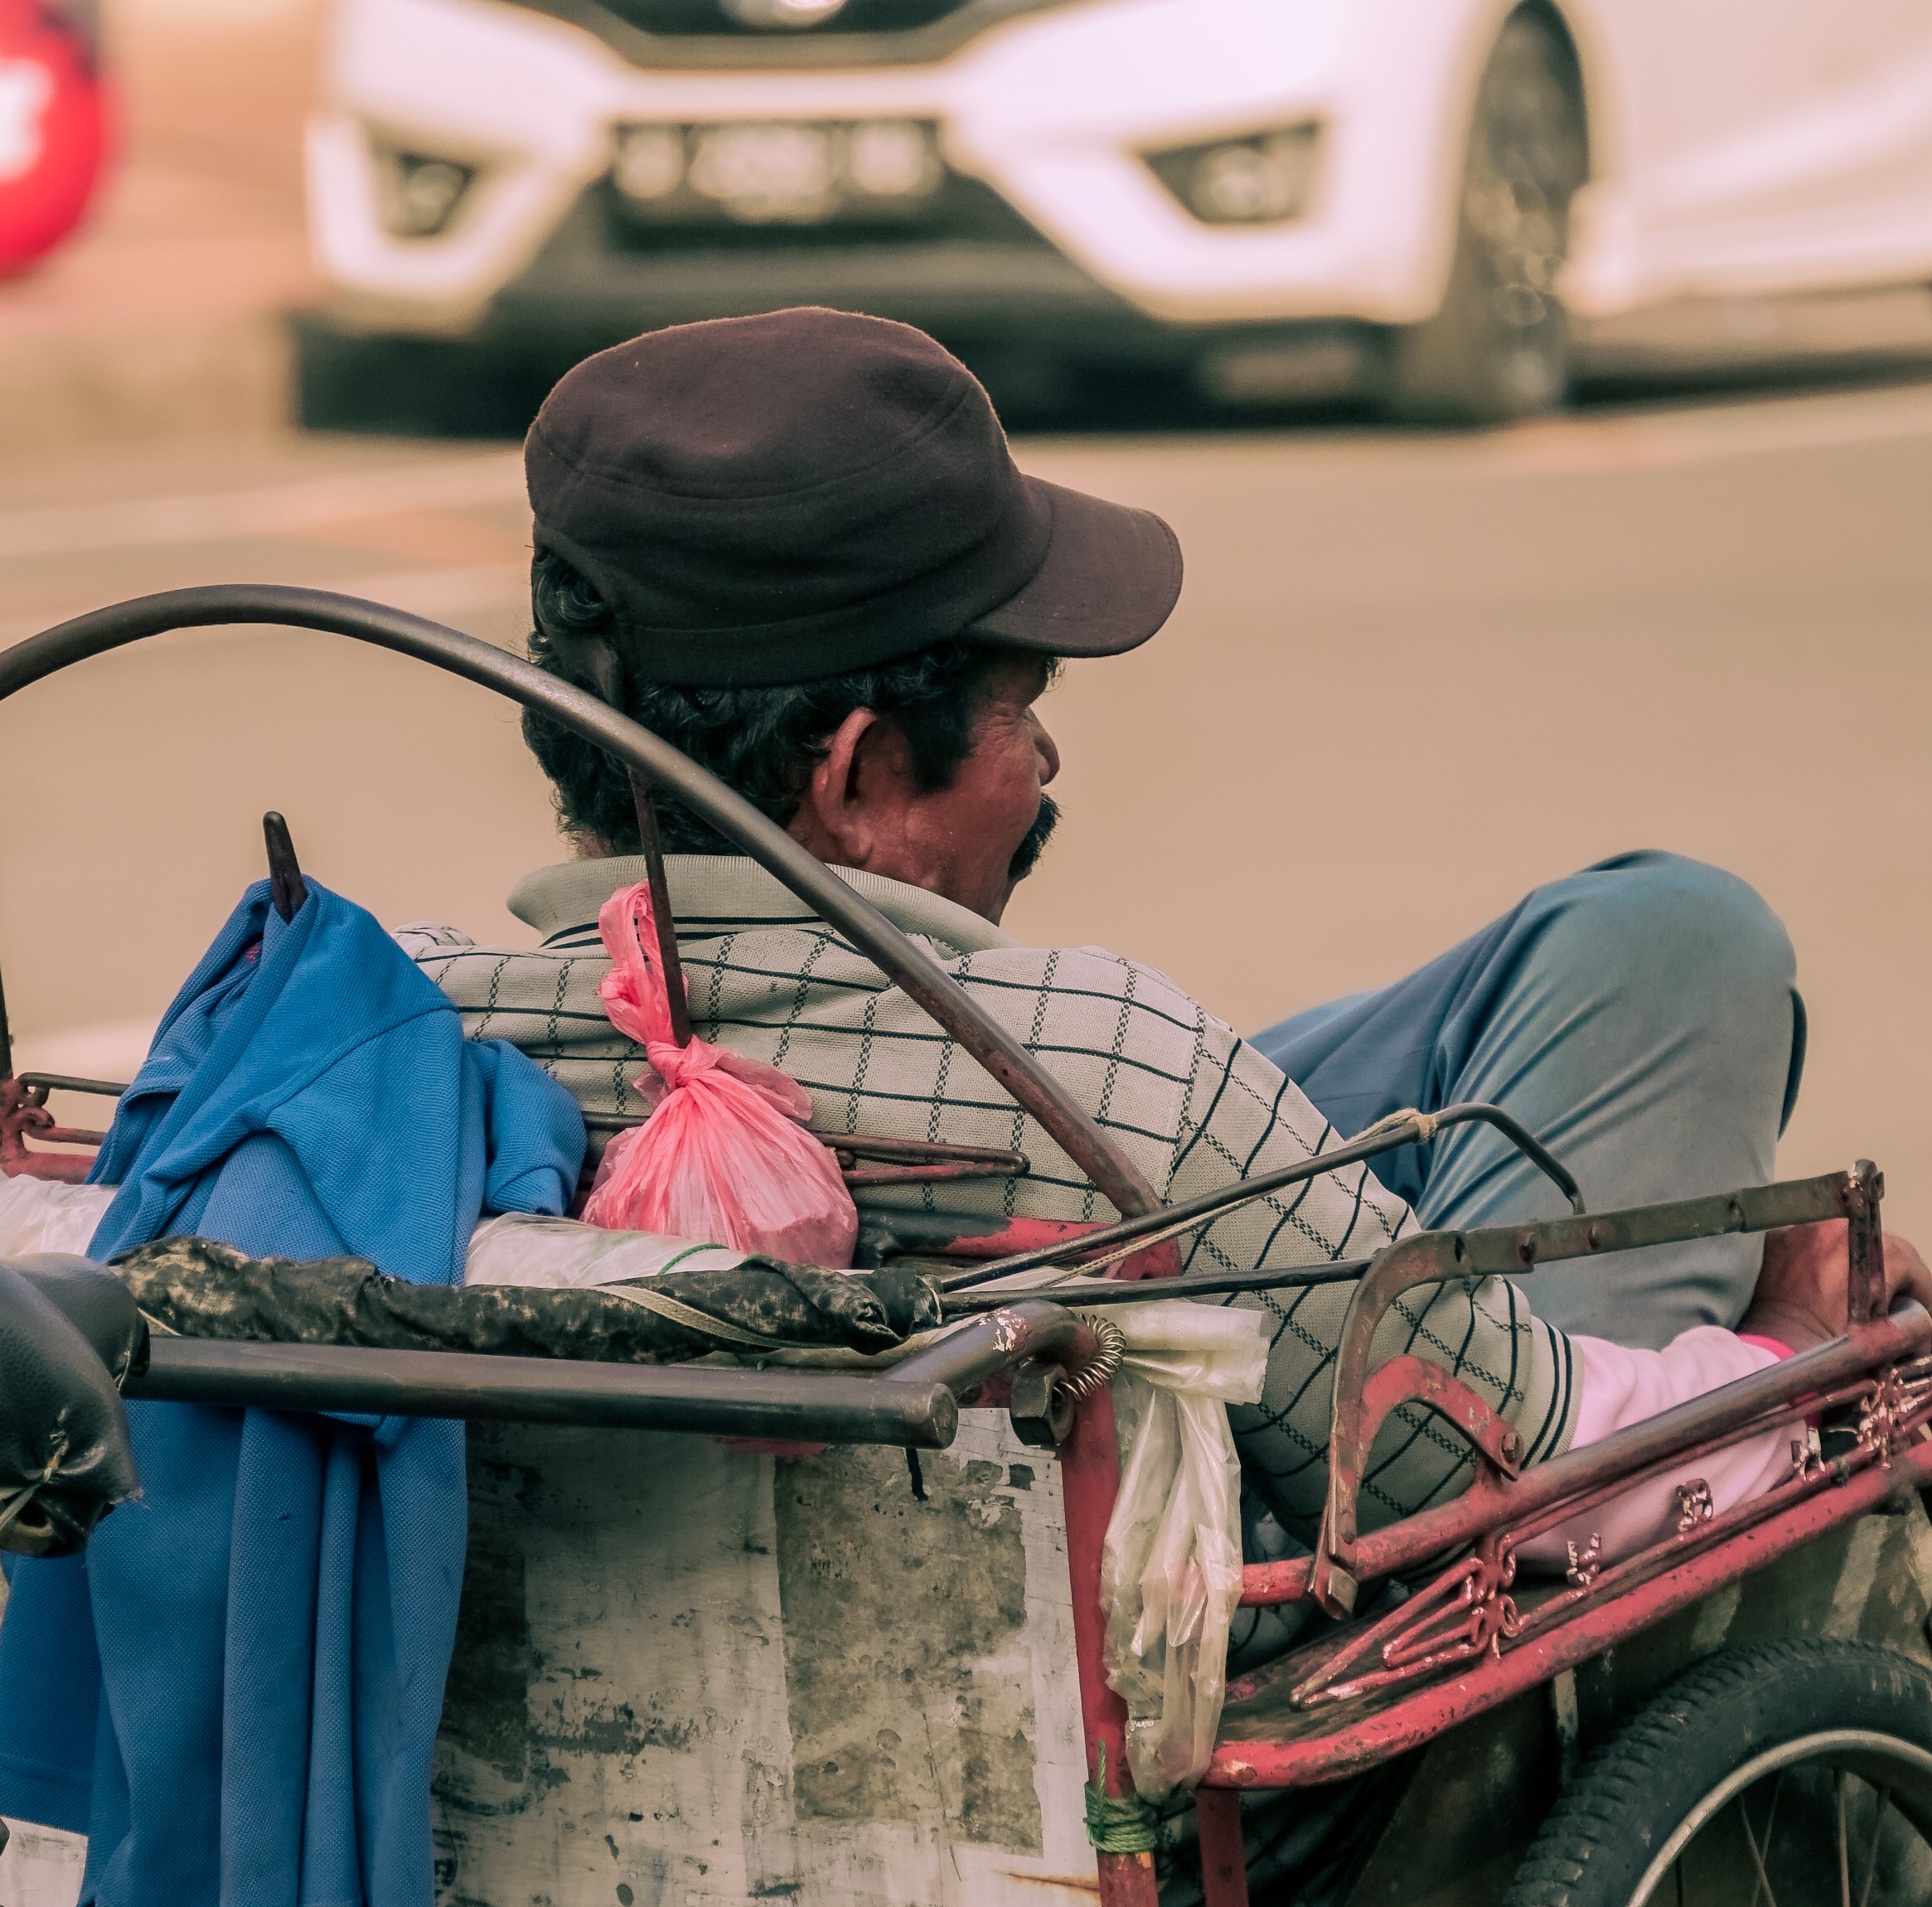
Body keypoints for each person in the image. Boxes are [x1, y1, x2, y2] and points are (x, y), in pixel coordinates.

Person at [410, 307, 1930, 1557]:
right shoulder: (1118, 1079)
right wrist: (1793, 1342)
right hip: (1249, 1761)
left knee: (1650, 941)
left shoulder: (401, 1038)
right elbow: (1544, 1484)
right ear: (861, 774)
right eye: (1022, 713)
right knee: (1686, 950)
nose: (1047, 767)